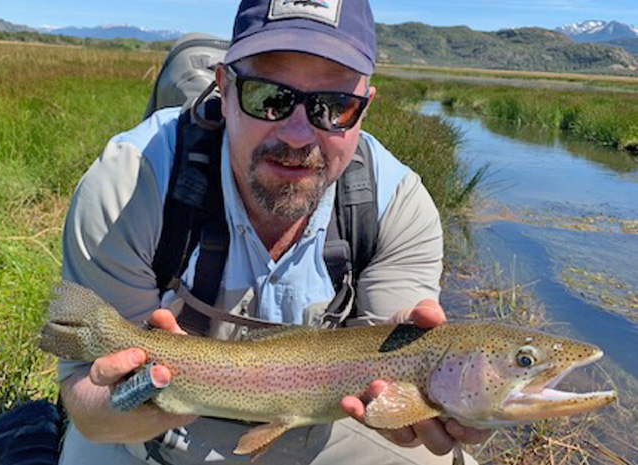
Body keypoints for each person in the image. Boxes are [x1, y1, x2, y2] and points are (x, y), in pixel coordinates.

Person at [56, 0, 489, 464]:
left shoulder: (396, 203)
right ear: (222, 88)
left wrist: (430, 404)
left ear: (364, 108)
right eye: (268, 98)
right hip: (160, 424)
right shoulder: (130, 185)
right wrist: (144, 397)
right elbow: (88, 403)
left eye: (335, 106)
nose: (299, 134)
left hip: (323, 422)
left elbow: (391, 362)